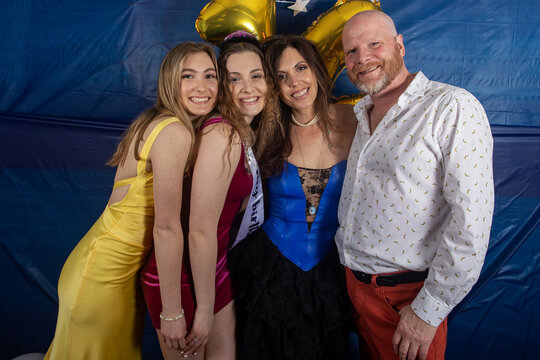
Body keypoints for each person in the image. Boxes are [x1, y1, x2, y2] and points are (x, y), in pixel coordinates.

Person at [44, 42, 218, 360]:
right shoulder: (175, 131)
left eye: (210, 75)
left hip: (107, 273)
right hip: (101, 279)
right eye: (188, 76)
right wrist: (172, 312)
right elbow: (165, 228)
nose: (202, 87)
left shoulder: (159, 121)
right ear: (169, 82)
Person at [337, 10, 495, 360]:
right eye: (351, 51)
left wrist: (429, 310)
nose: (362, 58)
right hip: (354, 289)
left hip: (406, 297)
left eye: (374, 44)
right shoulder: (361, 112)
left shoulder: (451, 106)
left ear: (400, 45)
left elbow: (471, 220)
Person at [140, 30, 279, 360]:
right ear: (223, 87)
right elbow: (200, 231)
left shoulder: (241, 131)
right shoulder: (221, 133)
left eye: (256, 76)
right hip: (181, 277)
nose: (248, 88)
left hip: (212, 270)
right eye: (234, 79)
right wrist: (200, 310)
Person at [229, 35, 357, 360]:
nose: (295, 82)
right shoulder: (264, 129)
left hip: (332, 271)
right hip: (272, 269)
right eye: (282, 77)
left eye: (301, 68)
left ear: (316, 70)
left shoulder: (355, 120)